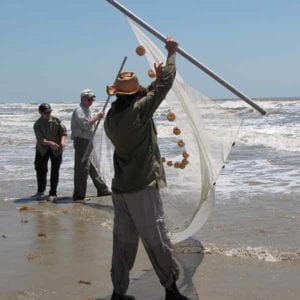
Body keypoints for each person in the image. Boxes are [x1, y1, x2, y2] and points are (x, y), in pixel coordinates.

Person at [104, 38, 189, 300]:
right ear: (134, 93)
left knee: (123, 243)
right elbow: (163, 87)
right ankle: (171, 290)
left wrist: (154, 82)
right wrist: (171, 54)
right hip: (141, 187)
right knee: (156, 238)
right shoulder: (139, 111)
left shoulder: (112, 117)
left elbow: (148, 95)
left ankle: (119, 292)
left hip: (120, 190)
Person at [71, 89, 111, 202]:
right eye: (89, 99)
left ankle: (102, 189)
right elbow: (85, 124)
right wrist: (97, 117)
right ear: (83, 99)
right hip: (81, 141)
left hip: (88, 140)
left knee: (92, 165)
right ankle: (79, 195)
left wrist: (97, 117)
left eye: (92, 99)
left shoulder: (88, 109)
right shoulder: (79, 110)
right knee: (82, 168)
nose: (91, 101)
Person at [33, 103, 67, 202]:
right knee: (40, 169)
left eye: (49, 112)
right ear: (40, 113)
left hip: (56, 149)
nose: (48, 114)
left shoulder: (57, 120)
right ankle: (40, 191)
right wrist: (50, 143)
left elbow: (63, 132)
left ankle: (53, 193)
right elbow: (41, 140)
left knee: (55, 170)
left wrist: (62, 142)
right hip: (42, 149)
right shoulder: (37, 124)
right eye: (46, 112)